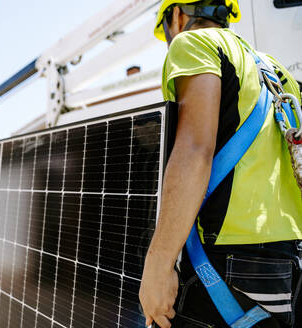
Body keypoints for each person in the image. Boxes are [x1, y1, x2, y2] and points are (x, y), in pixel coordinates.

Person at [138, 0, 302, 327]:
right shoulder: (275, 70)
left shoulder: (193, 43)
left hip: (225, 262)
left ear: (177, 15)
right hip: (286, 263)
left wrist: (159, 265)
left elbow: (195, 149)